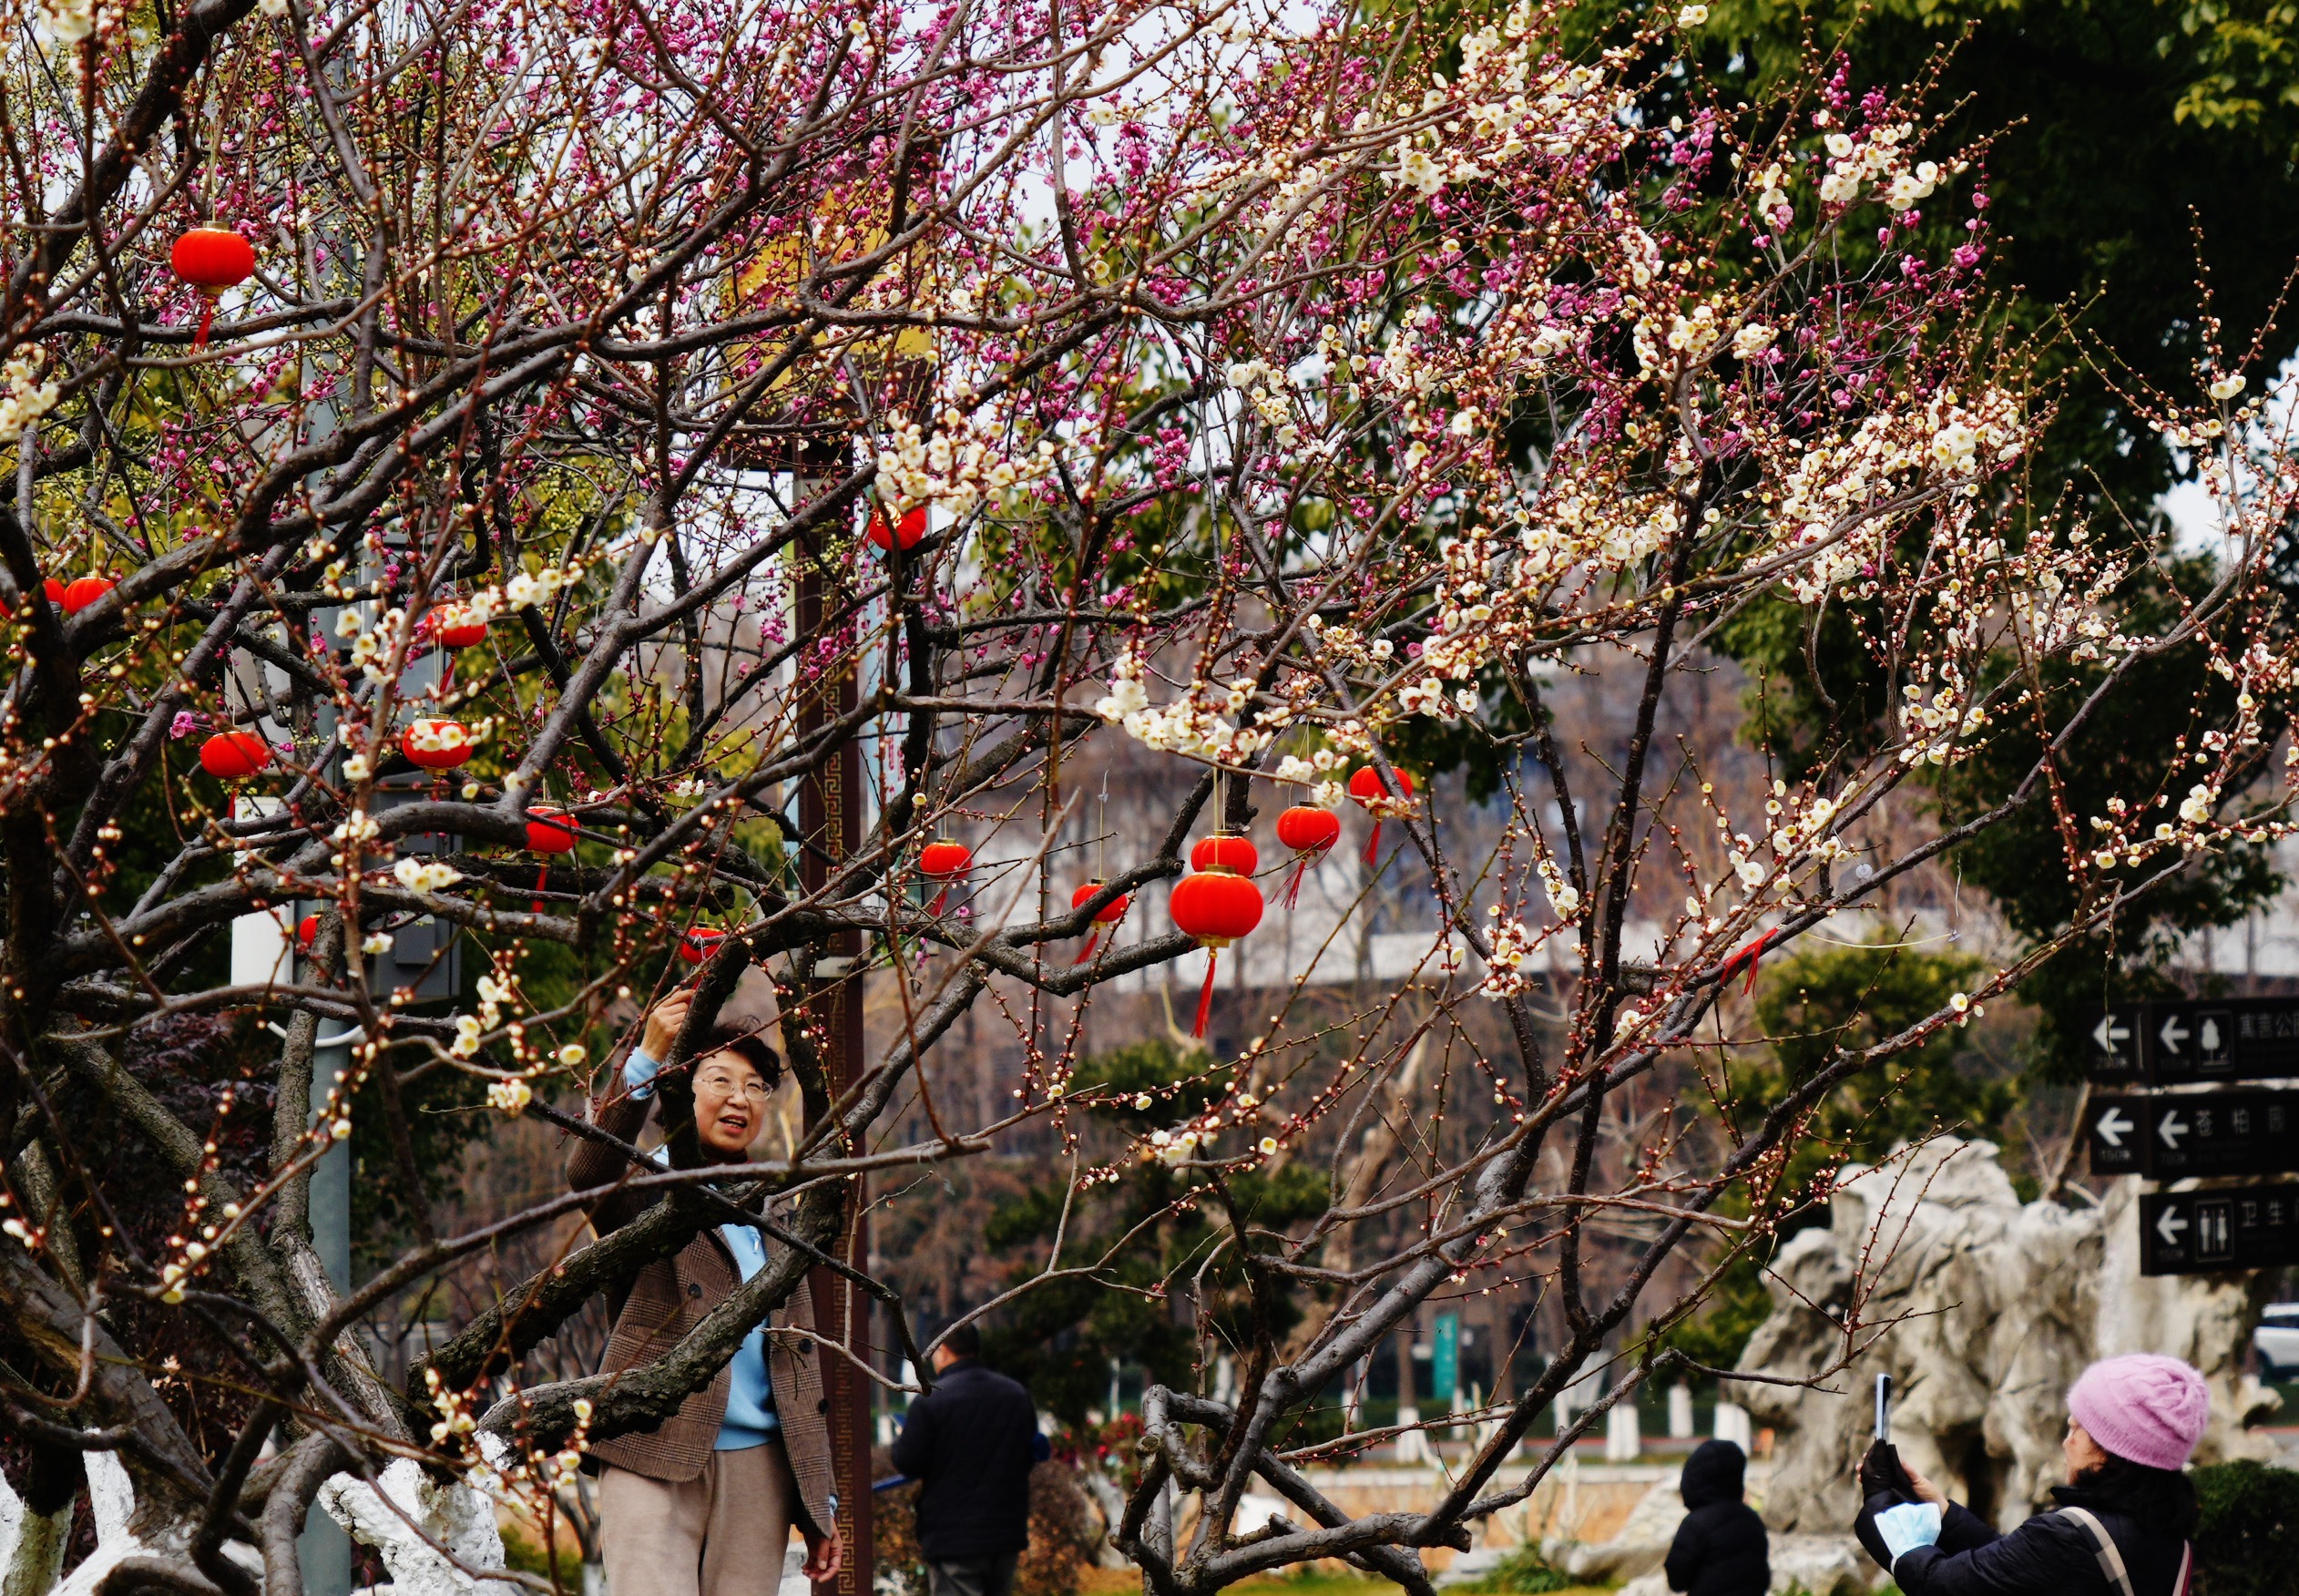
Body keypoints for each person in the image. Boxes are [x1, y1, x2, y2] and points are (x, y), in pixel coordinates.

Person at [567, 989, 843, 1596]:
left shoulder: (777, 1212)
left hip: (759, 1469)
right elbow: (588, 1174)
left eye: (755, 1087)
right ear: (680, 1092)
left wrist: (820, 1502)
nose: (739, 1098)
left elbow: (798, 1362)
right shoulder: (648, 1188)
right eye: (720, 1080)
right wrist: (646, 1058)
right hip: (652, 1450)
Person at [1854, 1354, 2205, 1596]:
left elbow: (1941, 1585)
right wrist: (1941, 1510)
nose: (2066, 1442)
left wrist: (1880, 1503)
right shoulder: (2169, 1535)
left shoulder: (2068, 1537)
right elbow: (2014, 1565)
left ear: (2110, 1452)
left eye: (2076, 1429)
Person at [890, 1321, 1050, 1596]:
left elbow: (907, 1462)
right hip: (1006, 1533)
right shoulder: (1015, 1395)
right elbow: (1027, 1457)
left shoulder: (931, 1401)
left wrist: (905, 1436)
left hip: (953, 1537)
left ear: (942, 1350)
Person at [1663, 1437, 1769, 1596]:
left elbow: (1677, 1578)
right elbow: (1761, 1574)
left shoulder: (1696, 1524)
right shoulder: (1752, 1520)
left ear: (1692, 1479)